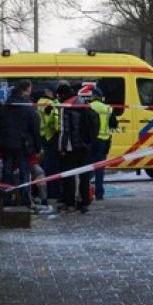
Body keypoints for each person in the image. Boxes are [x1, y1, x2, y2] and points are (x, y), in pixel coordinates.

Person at [0, 80, 42, 210]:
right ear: (26, 89)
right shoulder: (27, 107)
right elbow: (35, 129)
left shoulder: (5, 106)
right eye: (30, 88)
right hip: (23, 146)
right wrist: (37, 147)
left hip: (6, 145)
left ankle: (7, 198)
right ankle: (25, 199)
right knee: (24, 173)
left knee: (7, 172)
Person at [57, 83, 100, 213]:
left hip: (72, 147)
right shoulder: (83, 103)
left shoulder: (66, 106)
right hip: (85, 146)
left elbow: (64, 130)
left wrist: (62, 148)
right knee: (84, 175)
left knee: (69, 175)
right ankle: (84, 202)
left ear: (63, 95)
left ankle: (69, 203)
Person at [89, 87, 114, 200]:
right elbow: (114, 124)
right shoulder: (109, 108)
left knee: (87, 167)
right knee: (100, 169)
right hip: (105, 140)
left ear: (94, 96)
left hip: (93, 140)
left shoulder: (90, 106)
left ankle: (85, 191)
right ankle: (99, 193)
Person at [37, 85, 61, 200]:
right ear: (47, 91)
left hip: (43, 137)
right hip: (50, 136)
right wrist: (59, 130)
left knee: (45, 165)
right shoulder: (48, 103)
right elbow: (54, 121)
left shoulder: (40, 102)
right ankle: (53, 193)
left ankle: (45, 192)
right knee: (52, 167)